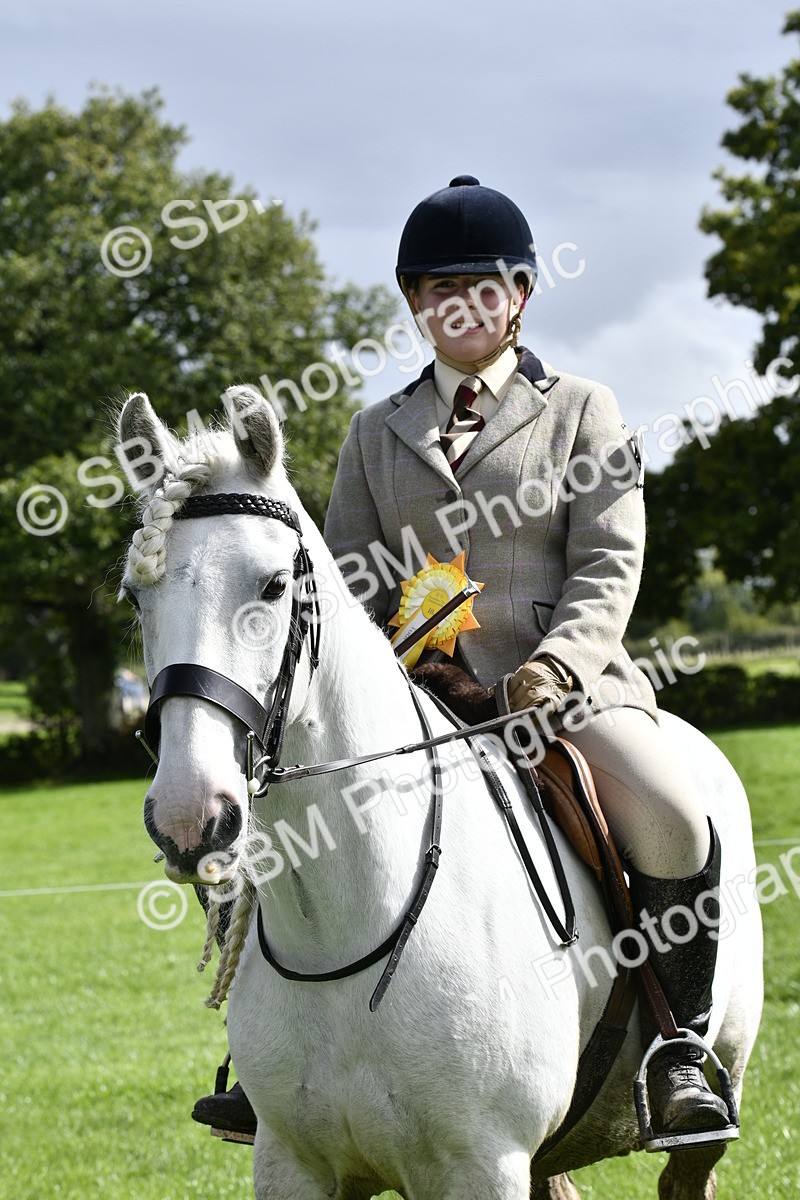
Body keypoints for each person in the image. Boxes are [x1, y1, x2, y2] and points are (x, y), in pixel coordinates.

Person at [194, 175, 733, 1144]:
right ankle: (270, 1059)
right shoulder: (373, 432)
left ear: (520, 294)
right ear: (413, 302)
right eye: (438, 288)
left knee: (668, 812)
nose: (462, 305)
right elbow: (343, 588)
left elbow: (609, 564)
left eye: (483, 286)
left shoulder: (581, 409)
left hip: (558, 690)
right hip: (412, 699)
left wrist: (556, 666)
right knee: (289, 822)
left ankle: (676, 1049)